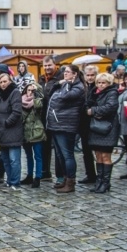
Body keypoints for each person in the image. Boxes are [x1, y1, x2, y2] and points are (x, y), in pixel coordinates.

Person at [46, 65, 86, 193]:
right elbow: (51, 94)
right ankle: (64, 178)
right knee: (60, 155)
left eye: (68, 72)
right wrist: (59, 83)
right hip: (57, 124)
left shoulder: (78, 87)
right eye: (65, 72)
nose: (65, 74)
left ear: (75, 74)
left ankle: (71, 182)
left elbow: (62, 97)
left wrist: (65, 86)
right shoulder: (65, 84)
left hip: (67, 125)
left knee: (67, 155)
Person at [86, 73, 121, 193]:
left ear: (108, 83)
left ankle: (106, 182)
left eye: (103, 82)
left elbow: (111, 107)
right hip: (96, 127)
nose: (101, 85)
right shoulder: (94, 93)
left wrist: (93, 110)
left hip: (107, 128)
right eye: (99, 82)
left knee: (106, 156)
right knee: (98, 155)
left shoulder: (112, 93)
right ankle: (99, 181)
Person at [0, 70, 24, 191]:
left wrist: (7, 123)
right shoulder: (1, 95)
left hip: (12, 131)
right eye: (1, 82)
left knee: (14, 160)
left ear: (10, 81)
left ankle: (15, 183)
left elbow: (17, 111)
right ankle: (9, 181)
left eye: (5, 81)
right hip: (2, 132)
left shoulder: (15, 92)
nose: (3, 84)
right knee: (6, 160)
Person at [39, 55, 62, 181]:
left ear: (55, 65)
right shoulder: (42, 80)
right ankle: (45, 171)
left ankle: (60, 175)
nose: (47, 68)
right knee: (45, 146)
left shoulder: (60, 78)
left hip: (57, 117)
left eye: (49, 65)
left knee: (58, 147)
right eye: (45, 65)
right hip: (44, 117)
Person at [21, 81, 45, 189]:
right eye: (28, 90)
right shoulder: (21, 101)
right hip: (25, 133)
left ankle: (38, 177)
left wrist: (38, 89)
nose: (30, 92)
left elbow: (41, 100)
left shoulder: (37, 101)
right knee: (28, 156)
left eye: (32, 90)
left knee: (38, 156)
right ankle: (29, 175)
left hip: (37, 132)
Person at [78, 65, 98, 185]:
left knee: (98, 152)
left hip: (94, 123)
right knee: (86, 151)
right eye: (88, 75)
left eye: (92, 75)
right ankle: (90, 174)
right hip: (84, 124)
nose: (90, 77)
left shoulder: (97, 88)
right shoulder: (85, 87)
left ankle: (99, 176)